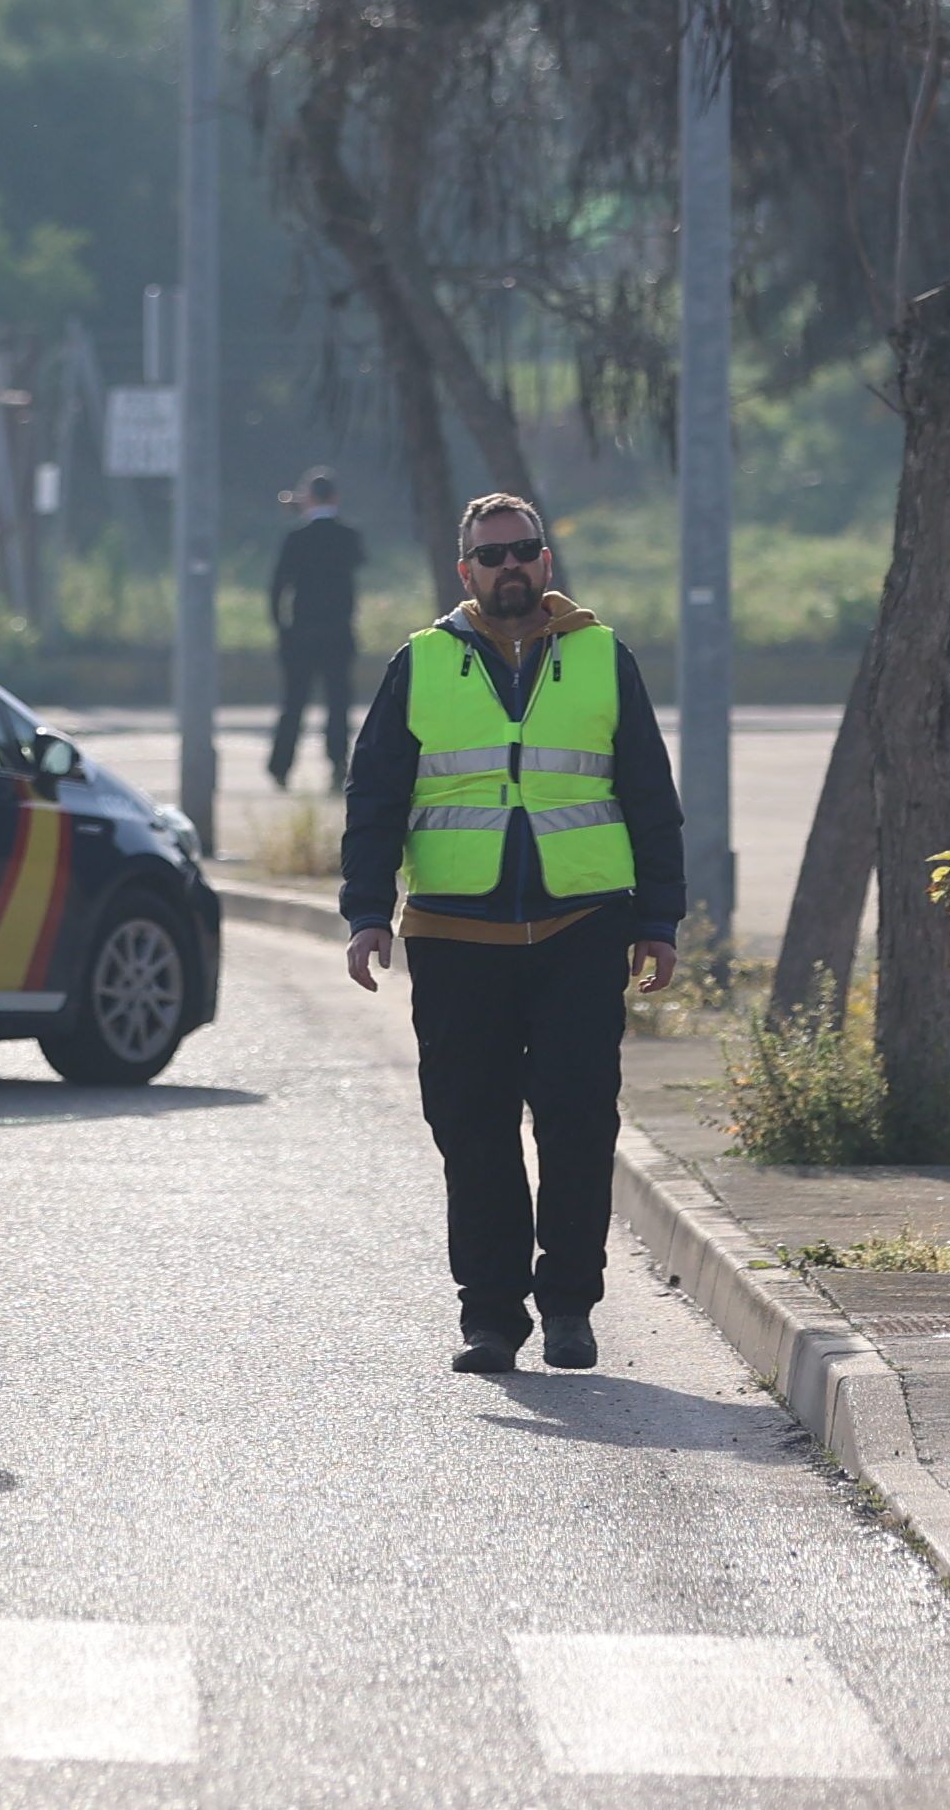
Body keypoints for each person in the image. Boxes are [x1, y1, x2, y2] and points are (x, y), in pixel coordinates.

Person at [340, 492, 684, 1375]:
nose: (509, 566)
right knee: (473, 1127)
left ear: (546, 563)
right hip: (456, 933)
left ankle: (570, 1305)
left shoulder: (605, 657)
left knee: (577, 1123)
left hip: (580, 926)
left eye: (524, 550)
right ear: (466, 572)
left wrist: (658, 921)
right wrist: (367, 913)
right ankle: (491, 1316)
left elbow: (650, 798)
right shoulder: (420, 663)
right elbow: (375, 798)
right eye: (491, 555)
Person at [268, 467, 366, 790]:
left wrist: (281, 628)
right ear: (335, 498)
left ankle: (280, 767)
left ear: (309, 498)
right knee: (338, 703)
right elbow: (358, 561)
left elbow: (278, 587)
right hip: (338, 631)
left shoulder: (296, 537)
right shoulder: (348, 535)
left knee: (293, 702)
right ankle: (338, 763)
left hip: (300, 633)